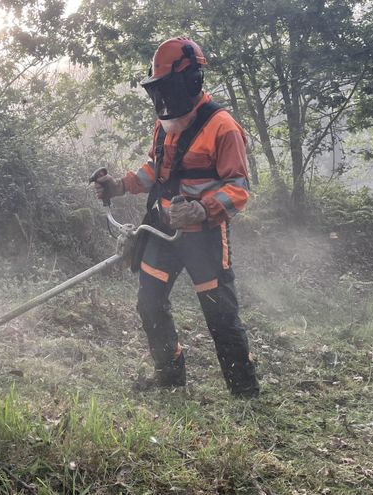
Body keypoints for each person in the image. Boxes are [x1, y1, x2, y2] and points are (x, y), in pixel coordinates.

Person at [93, 37, 259, 398]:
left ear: (191, 80)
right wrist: (120, 186)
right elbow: (156, 169)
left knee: (219, 313)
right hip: (162, 231)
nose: (164, 97)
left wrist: (202, 208)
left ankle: (244, 390)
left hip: (205, 236)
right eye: (161, 89)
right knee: (149, 302)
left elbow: (238, 188)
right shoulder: (165, 123)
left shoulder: (223, 126)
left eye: (170, 87)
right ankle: (169, 376)